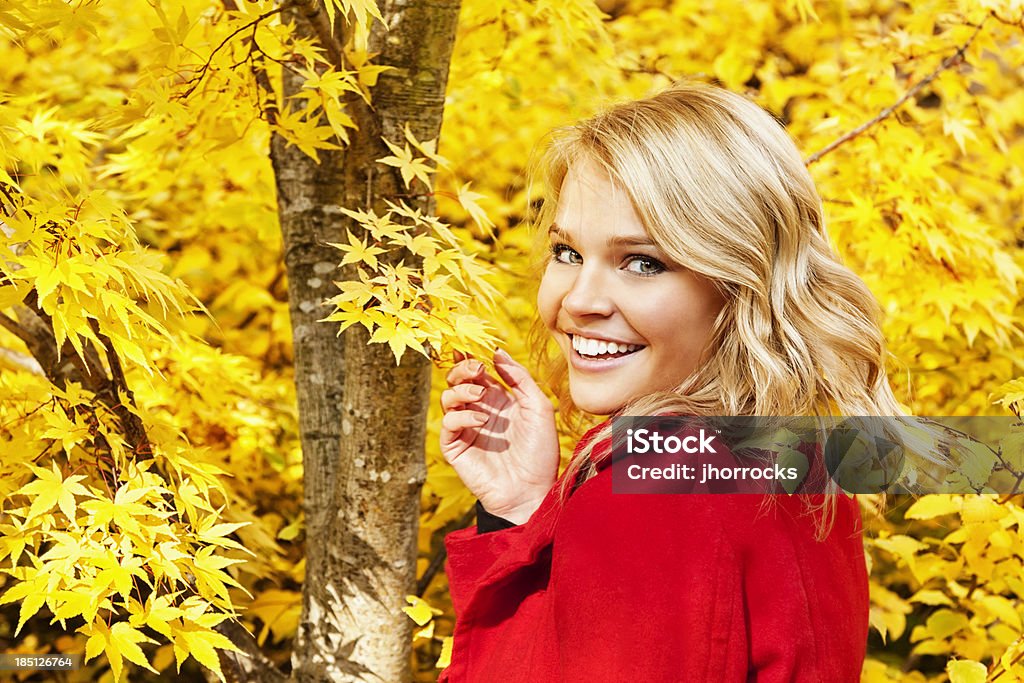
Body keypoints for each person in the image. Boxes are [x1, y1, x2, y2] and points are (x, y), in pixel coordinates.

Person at [437, 81, 893, 682]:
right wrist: (524, 516)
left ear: (739, 286)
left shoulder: (652, 501)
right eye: (567, 252)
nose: (579, 299)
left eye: (643, 262)